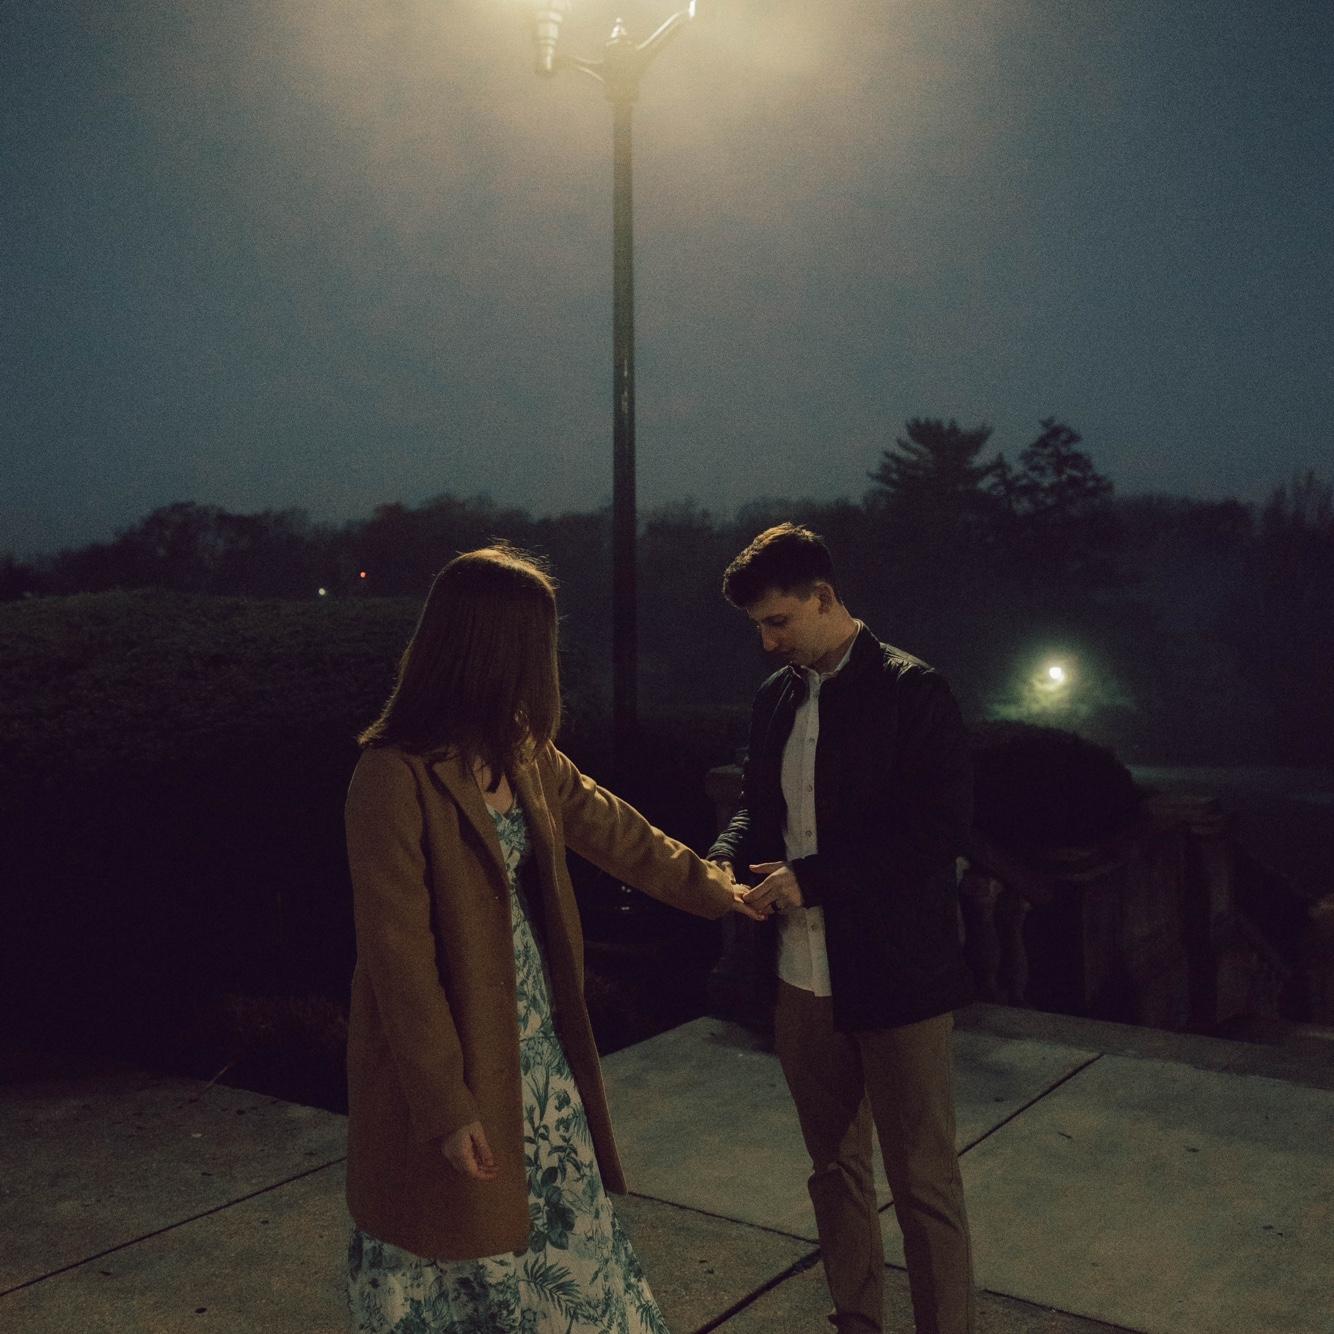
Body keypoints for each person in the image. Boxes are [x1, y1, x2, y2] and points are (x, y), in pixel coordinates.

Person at [343, 544, 758, 1333]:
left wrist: (717, 888)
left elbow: (619, 833)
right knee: (456, 1245)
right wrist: (446, 1108)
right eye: (539, 641)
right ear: (493, 647)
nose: (548, 661)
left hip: (530, 1037)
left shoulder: (522, 751)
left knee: (569, 1246)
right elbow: (400, 963)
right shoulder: (392, 777)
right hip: (449, 1047)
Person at [708, 523, 977, 1334]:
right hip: (800, 978)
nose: (767, 641)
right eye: (757, 626)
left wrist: (812, 879)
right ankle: (856, 1319)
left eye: (778, 621)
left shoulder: (912, 690)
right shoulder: (776, 697)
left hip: (897, 975)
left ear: (823, 597)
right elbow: (758, 806)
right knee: (833, 1168)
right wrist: (721, 859)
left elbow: (937, 834)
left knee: (923, 1180)